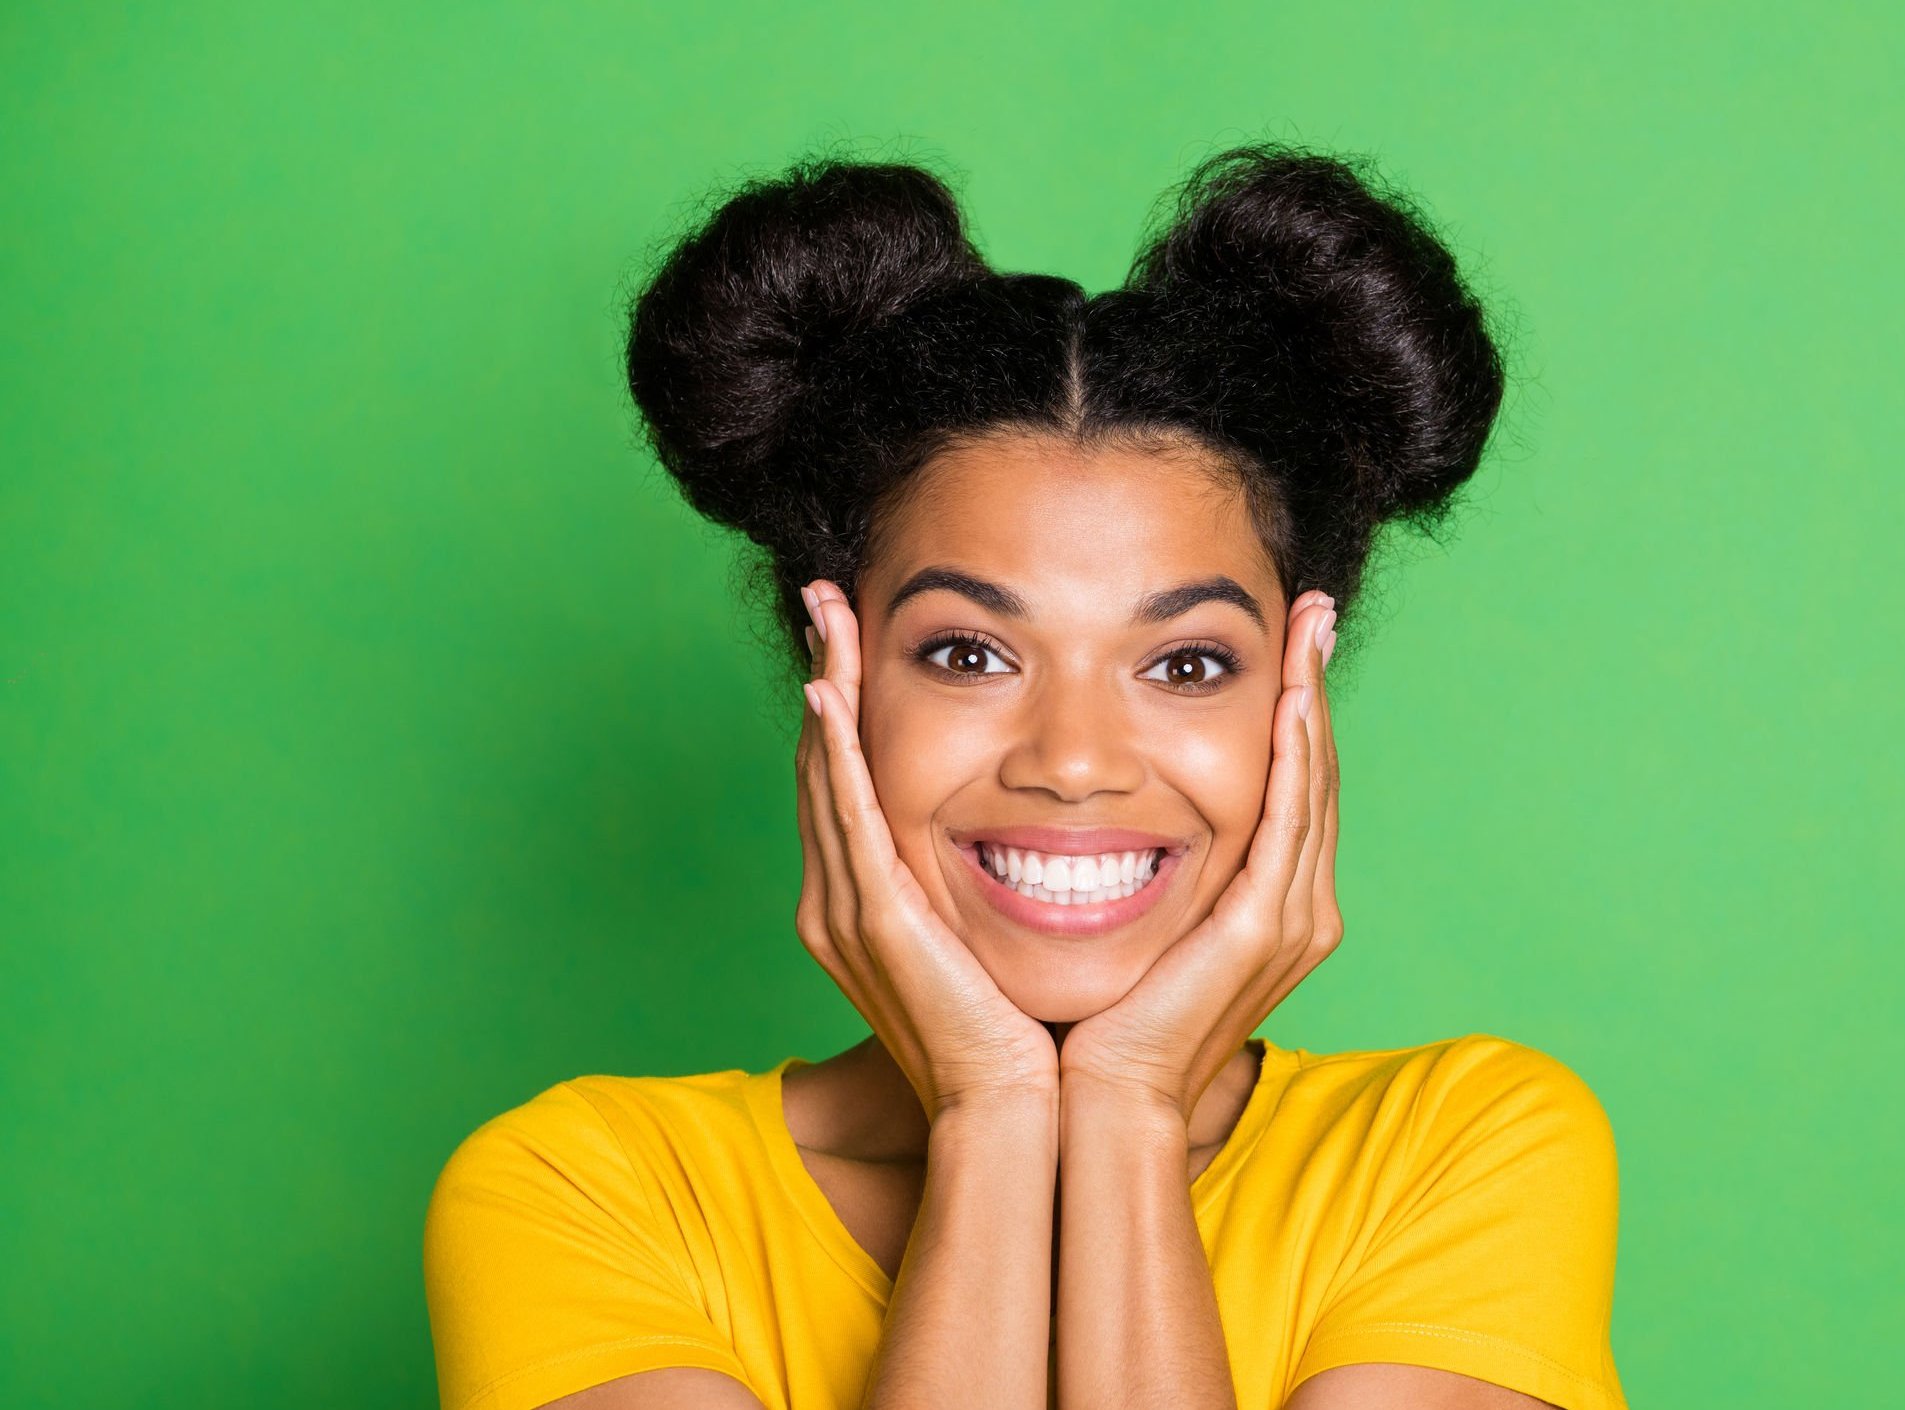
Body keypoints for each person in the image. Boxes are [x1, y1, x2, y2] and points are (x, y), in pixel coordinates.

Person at [421, 143, 1628, 1410]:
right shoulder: (585, 1196)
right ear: (837, 682)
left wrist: (1124, 1108)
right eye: (968, 651)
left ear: (1298, 695)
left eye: (1185, 664)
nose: (1074, 762)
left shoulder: (1462, 1153)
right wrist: (995, 1115)